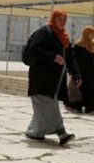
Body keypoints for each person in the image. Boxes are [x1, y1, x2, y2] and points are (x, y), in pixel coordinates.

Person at [25, 9, 80, 145]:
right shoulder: (45, 32)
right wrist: (53, 57)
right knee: (48, 107)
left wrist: (76, 74)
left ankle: (33, 131)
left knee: (44, 108)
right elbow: (33, 48)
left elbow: (70, 58)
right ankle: (61, 133)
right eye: (60, 19)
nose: (62, 22)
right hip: (41, 78)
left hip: (54, 81)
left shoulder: (63, 37)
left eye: (65, 20)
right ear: (54, 19)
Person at [70, 25, 94, 114]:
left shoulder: (91, 44)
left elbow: (92, 56)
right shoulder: (79, 44)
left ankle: (91, 107)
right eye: (91, 33)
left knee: (91, 88)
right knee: (80, 89)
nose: (93, 35)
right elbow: (74, 58)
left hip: (89, 71)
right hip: (81, 71)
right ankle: (78, 106)